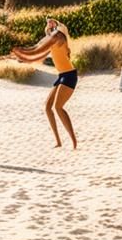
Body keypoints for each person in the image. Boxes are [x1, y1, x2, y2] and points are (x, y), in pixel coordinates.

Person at [9, 18, 78, 149]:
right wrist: (21, 56)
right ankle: (58, 142)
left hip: (69, 75)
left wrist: (22, 54)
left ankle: (74, 141)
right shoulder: (51, 39)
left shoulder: (58, 37)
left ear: (59, 27)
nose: (50, 23)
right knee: (48, 107)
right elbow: (37, 51)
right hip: (62, 75)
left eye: (53, 22)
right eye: (48, 22)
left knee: (58, 107)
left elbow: (37, 52)